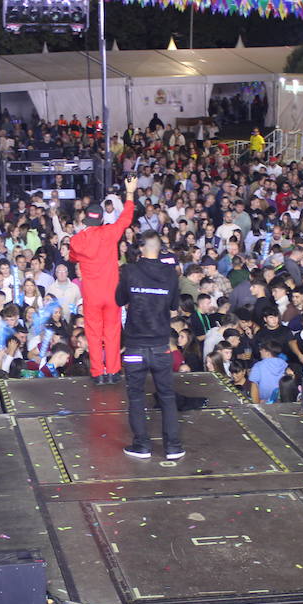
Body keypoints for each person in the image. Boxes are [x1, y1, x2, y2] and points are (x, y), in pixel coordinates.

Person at [116, 229, 182, 460]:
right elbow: (174, 305)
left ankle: (142, 445)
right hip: (162, 346)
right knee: (166, 395)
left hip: (134, 346)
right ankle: (173, 447)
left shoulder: (129, 271)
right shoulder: (171, 274)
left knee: (135, 395)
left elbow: (119, 299)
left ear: (141, 247)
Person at [69, 178, 137, 384]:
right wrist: (130, 193)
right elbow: (126, 219)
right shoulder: (109, 233)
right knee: (112, 332)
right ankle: (114, 371)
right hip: (111, 294)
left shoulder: (77, 240)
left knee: (94, 334)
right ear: (100, 219)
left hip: (91, 295)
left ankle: (98, 373)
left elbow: (72, 257)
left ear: (85, 220)